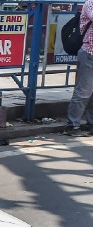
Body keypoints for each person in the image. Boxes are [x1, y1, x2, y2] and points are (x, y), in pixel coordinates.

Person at [66, 0, 93, 136]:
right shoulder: (90, 4)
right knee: (83, 92)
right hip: (89, 53)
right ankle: (72, 125)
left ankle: (91, 124)